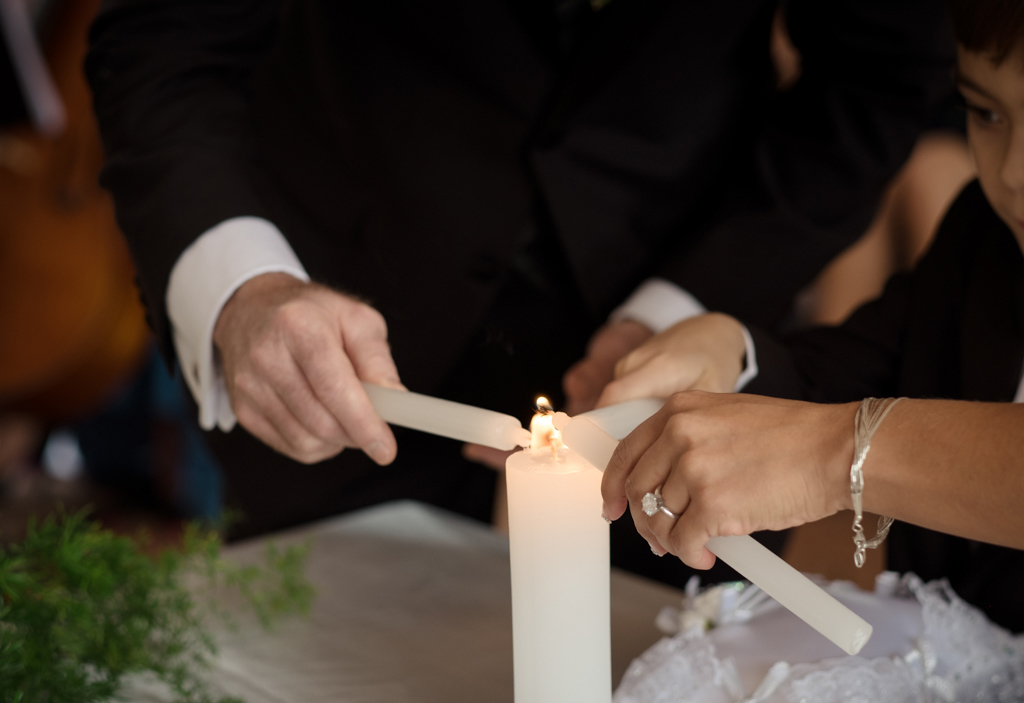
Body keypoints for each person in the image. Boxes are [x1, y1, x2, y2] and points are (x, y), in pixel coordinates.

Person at [85, 0, 953, 538]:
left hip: (668, 384)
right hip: (335, 363)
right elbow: (167, 35)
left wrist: (685, 310)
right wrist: (244, 286)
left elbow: (874, 74)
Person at [598, 0, 1024, 703]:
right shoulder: (982, 235)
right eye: (984, 113)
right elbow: (849, 371)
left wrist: (844, 452)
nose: (1015, 170)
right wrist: (730, 350)